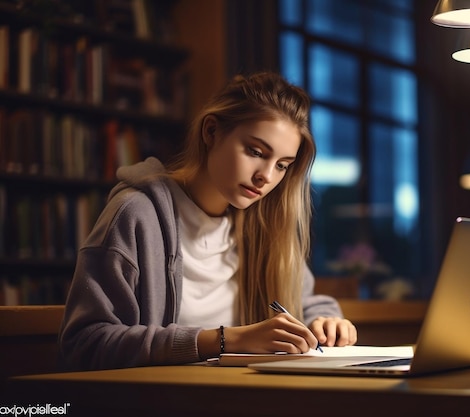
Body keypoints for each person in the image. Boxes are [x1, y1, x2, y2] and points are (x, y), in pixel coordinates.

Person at [58, 72, 357, 371]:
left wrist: (325, 320)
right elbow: (84, 344)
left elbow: (303, 301)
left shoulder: (264, 227)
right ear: (211, 131)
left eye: (281, 165)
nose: (266, 176)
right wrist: (224, 340)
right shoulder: (136, 215)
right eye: (255, 152)